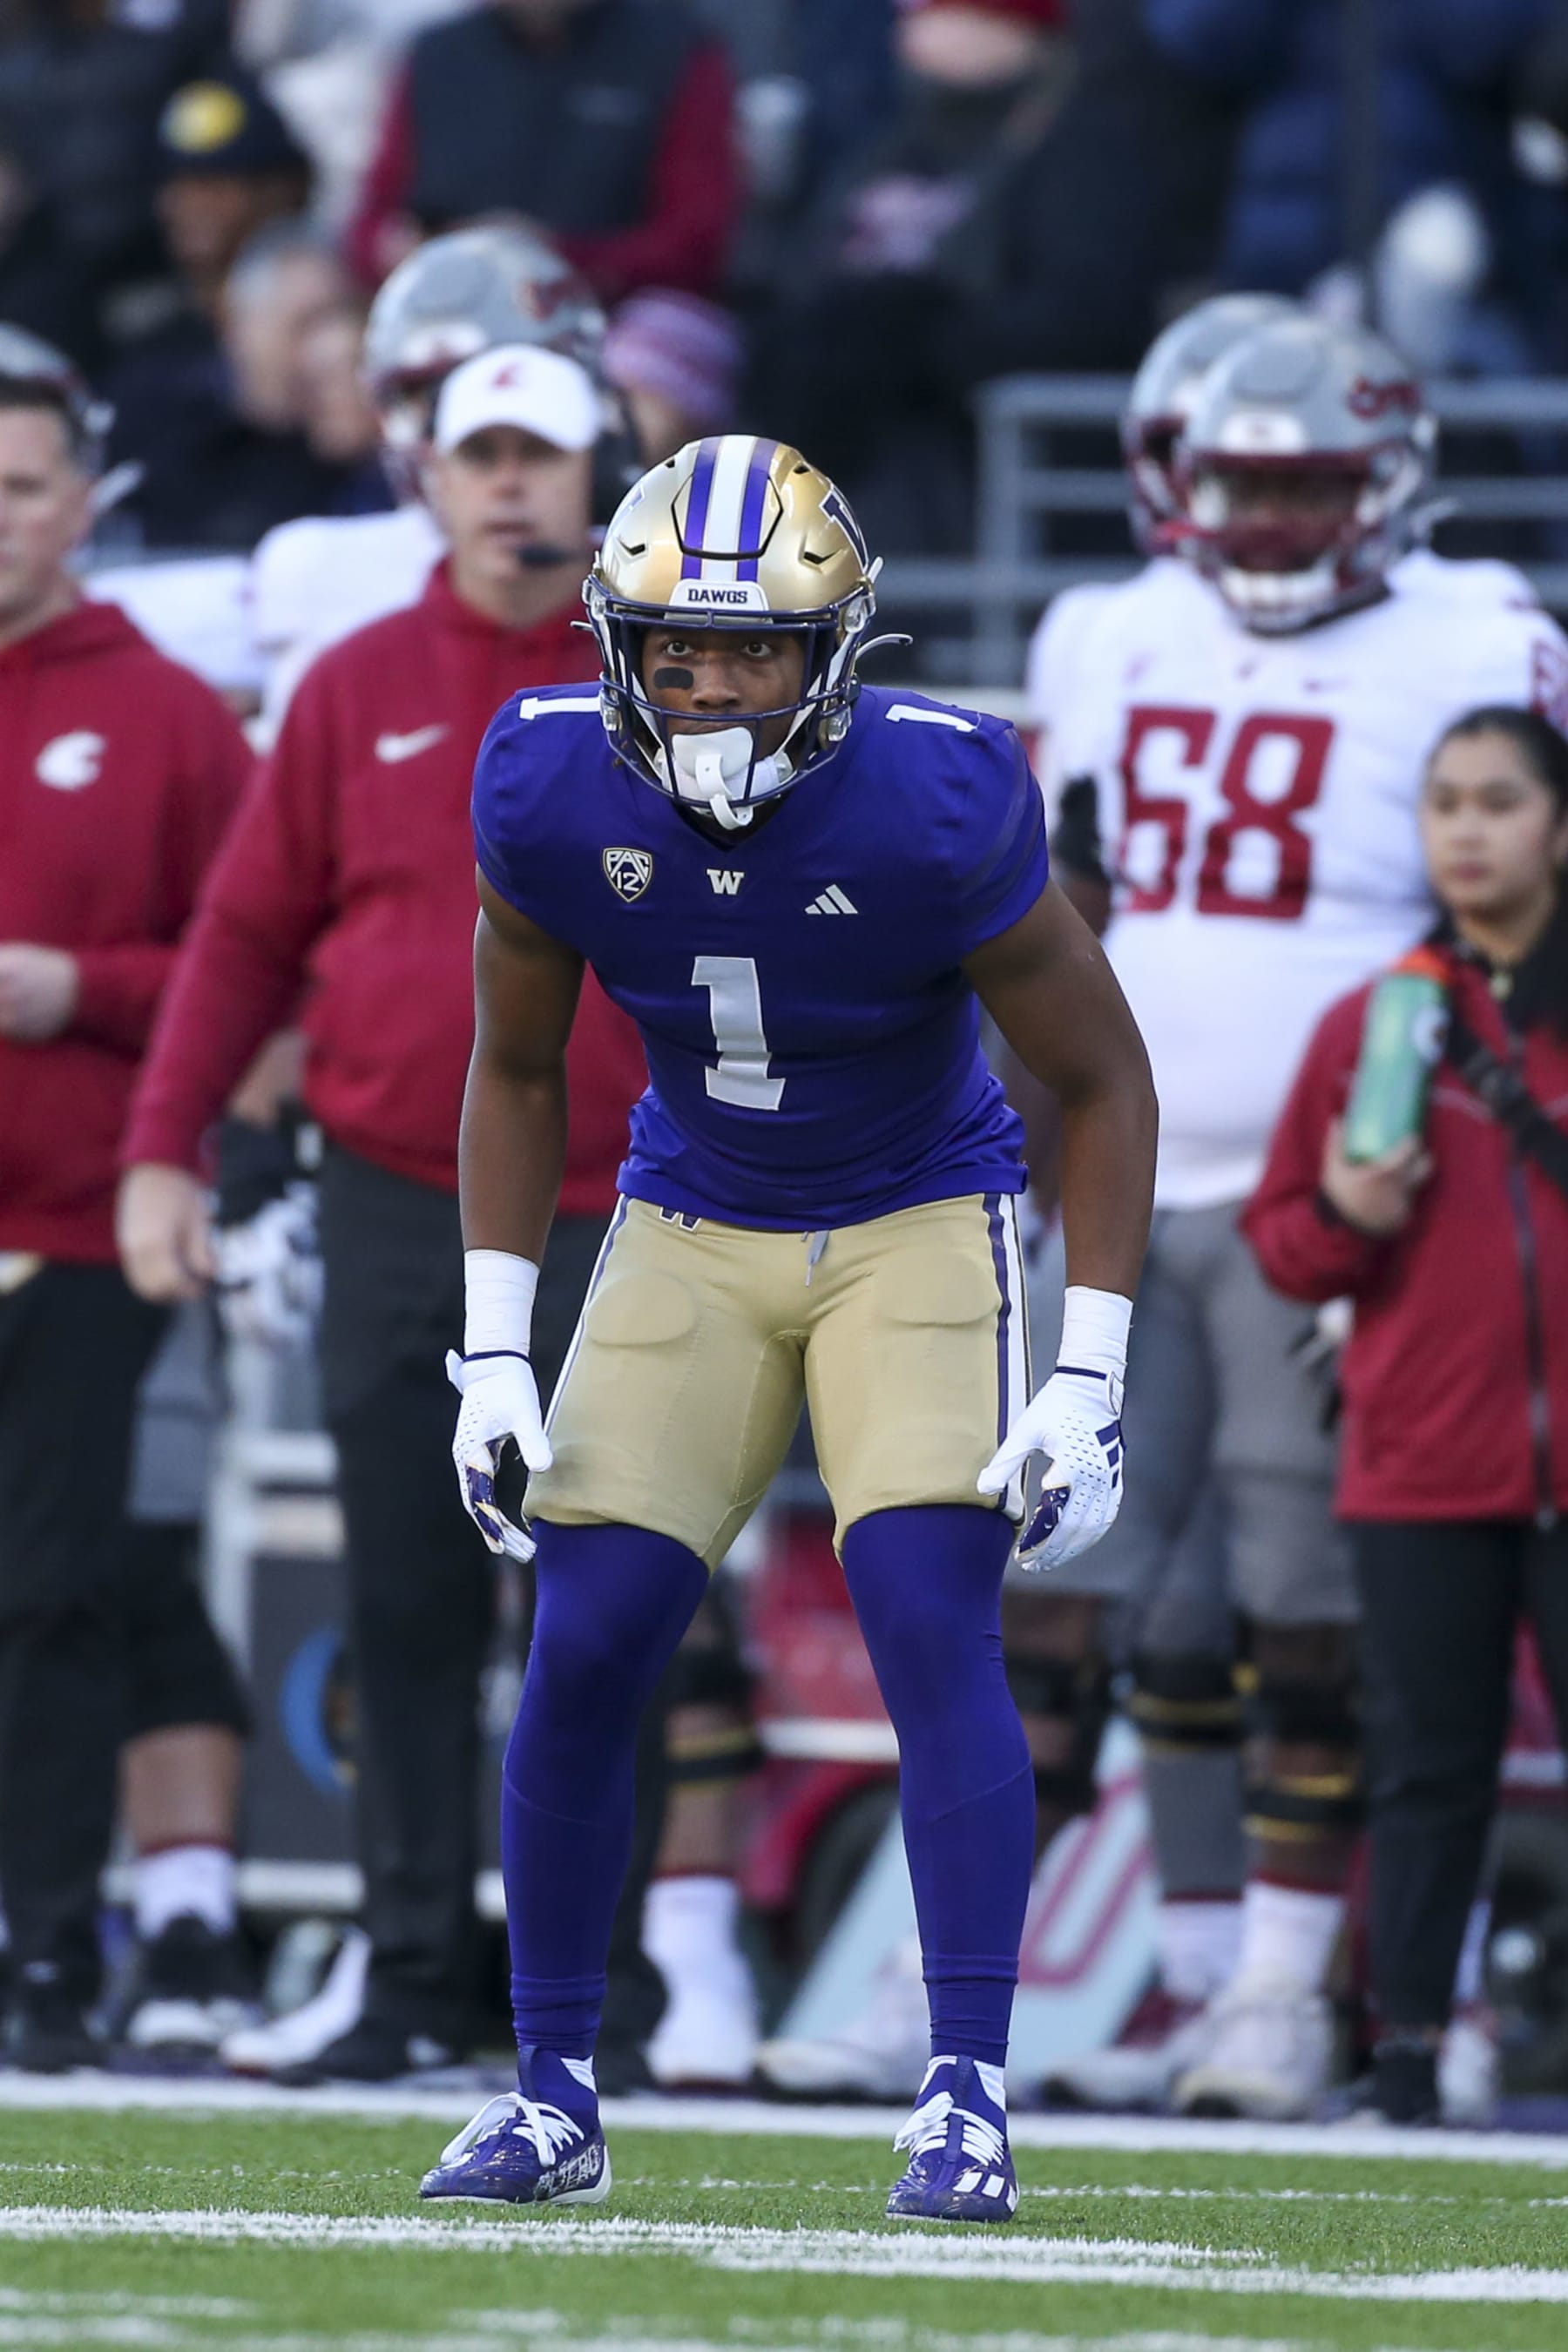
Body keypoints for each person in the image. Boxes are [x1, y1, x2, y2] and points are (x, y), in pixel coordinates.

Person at [417, 432, 1156, 2220]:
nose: (712, 683)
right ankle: (551, 2090)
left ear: (832, 654)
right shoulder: (545, 786)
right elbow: (515, 1066)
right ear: (620, 649)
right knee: (589, 1632)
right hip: (688, 1215)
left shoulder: (942, 792)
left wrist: (1091, 1371)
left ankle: (966, 2088)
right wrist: (496, 1344)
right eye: (676, 647)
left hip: (914, 1213)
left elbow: (1102, 1077)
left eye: (752, 648)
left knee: (923, 1609)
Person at [1016, 312, 1568, 2125]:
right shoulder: (1105, 631)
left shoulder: (1481, 639)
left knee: (1302, 1608)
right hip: (1106, 1178)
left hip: (1334, 1206)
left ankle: (1284, 1990)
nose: (1262, 528)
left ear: (1385, 485)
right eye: (1239, 489)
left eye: (1305, 490)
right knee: (1068, 1600)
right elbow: (1051, 897)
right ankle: (1054, 1988)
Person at [118, 341, 647, 2085]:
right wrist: (167, 1143)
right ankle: (413, 1970)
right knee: (406, 1607)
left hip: (620, 1206)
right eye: (476, 455)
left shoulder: (673, 674)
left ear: (597, 475)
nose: (508, 487)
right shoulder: (355, 683)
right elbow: (248, 934)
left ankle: (595, 1993)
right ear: (423, 473)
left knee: (605, 1610)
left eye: (538, 457)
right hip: (396, 1200)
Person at [1245, 705, 1568, 2125]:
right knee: (1429, 1772)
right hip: (1424, 1463)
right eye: (1444, 803)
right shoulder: (1376, 1020)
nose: (1469, 829)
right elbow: (1288, 1248)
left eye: (1500, 800)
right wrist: (1344, 1211)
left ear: (1557, 824)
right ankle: (1410, 2060)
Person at [0, 325, 251, 2071]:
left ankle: (45, 1954)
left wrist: (73, 988)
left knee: (55, 1596)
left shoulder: (160, 710)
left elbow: (251, 970)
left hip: (81, 1224)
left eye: (19, 488)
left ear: (81, 504)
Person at [347, 0, 739, 302]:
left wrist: (553, 259)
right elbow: (371, 220)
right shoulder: (435, 55)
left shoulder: (678, 50)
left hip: (613, 316)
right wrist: (400, 252)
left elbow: (697, 243)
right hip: (449, 305)